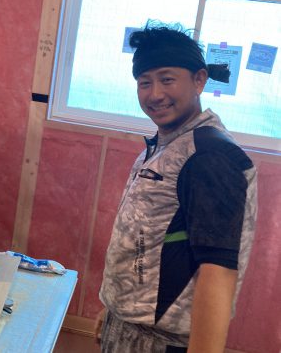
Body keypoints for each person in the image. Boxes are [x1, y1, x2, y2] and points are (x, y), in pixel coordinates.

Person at [96, 23, 257, 353]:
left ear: (199, 80)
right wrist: (114, 308)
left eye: (167, 79)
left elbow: (219, 271)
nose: (155, 94)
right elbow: (150, 241)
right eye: (145, 82)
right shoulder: (168, 144)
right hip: (132, 329)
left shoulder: (210, 157)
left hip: (162, 343)